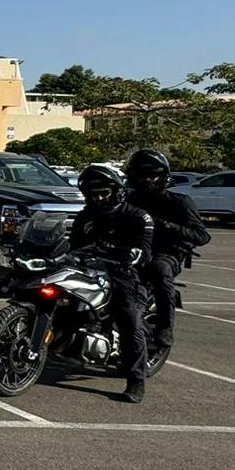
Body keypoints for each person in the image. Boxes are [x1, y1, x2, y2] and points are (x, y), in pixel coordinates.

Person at [70, 164, 156, 403]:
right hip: (91, 270)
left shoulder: (139, 217)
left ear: (116, 191)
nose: (98, 198)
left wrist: (116, 252)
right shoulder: (85, 216)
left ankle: (136, 379)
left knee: (129, 318)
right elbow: (73, 245)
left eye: (103, 192)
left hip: (127, 275)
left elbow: (143, 253)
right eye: (92, 194)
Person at [123, 148, 208, 348]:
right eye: (141, 176)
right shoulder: (128, 200)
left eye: (151, 176)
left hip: (166, 253)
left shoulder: (179, 202)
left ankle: (164, 326)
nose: (146, 181)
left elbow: (201, 235)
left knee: (160, 270)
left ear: (162, 177)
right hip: (130, 251)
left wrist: (166, 226)